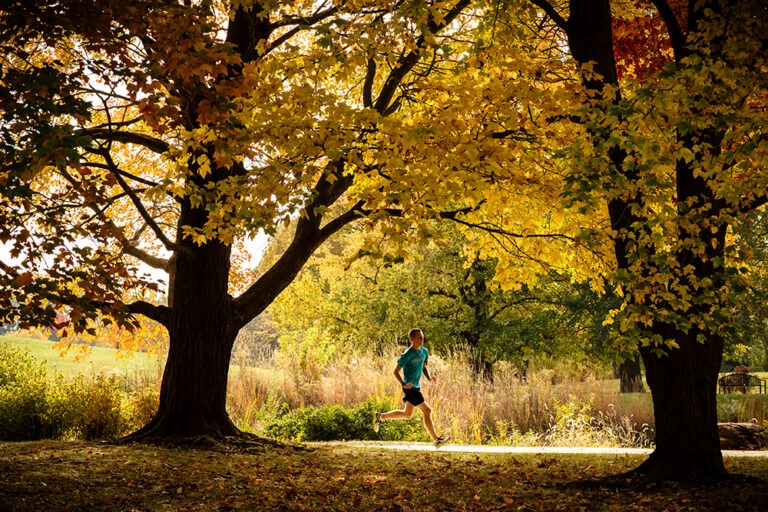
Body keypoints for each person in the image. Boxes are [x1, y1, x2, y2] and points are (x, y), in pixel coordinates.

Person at [373, 328, 450, 448]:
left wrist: (429, 378)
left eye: (422, 337)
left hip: (417, 387)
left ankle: (380, 416)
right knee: (427, 410)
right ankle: (436, 440)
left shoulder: (424, 351)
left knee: (407, 414)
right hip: (409, 388)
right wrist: (404, 384)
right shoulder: (407, 355)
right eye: (419, 337)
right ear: (412, 339)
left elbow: (424, 366)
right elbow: (395, 372)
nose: (422, 339)